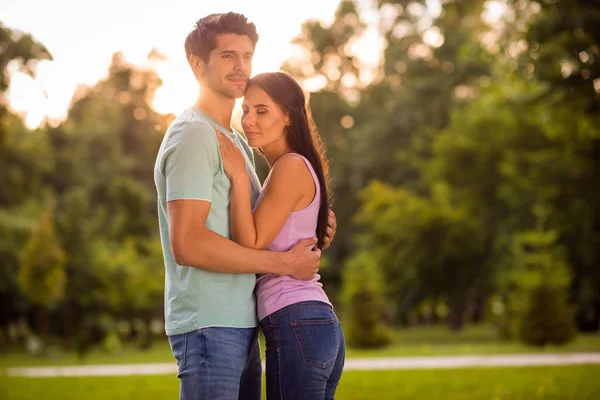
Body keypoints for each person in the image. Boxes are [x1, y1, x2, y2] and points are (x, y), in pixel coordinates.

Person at [153, 13, 337, 400]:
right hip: (208, 324)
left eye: (247, 55)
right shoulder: (194, 136)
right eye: (227, 55)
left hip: (244, 321)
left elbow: (262, 222)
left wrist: (311, 222)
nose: (241, 67)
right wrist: (285, 263)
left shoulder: (236, 141)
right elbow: (187, 243)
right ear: (197, 64)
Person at [217, 71, 345, 400]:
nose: (249, 120)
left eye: (262, 111)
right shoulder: (292, 167)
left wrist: (238, 178)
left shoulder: (289, 166)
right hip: (309, 324)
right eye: (246, 110)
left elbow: (251, 245)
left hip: (297, 321)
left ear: (288, 117)